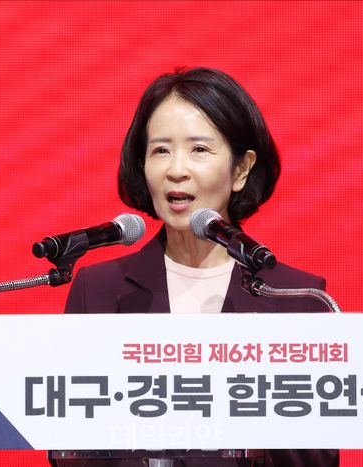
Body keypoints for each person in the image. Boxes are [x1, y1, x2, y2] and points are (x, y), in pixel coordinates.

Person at [64, 68, 339, 467]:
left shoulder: (298, 298)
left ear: (241, 169)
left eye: (199, 150)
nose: (176, 169)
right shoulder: (98, 290)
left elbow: (312, 459)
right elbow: (72, 443)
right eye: (161, 150)